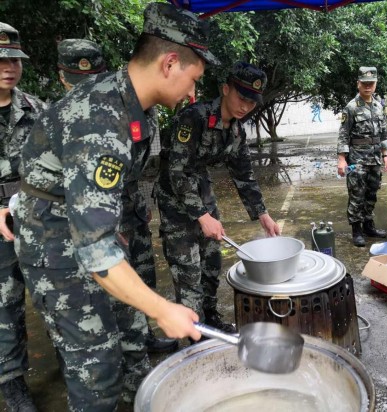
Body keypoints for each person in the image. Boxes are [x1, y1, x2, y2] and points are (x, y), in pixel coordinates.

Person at [12, 3, 219, 410]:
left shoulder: (126, 103)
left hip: (79, 227)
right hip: (54, 246)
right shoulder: (101, 120)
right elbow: (94, 248)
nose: (194, 94)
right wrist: (164, 309)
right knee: (96, 370)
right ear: (170, 63)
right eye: (194, 80)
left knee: (127, 335)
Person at [57, 39, 178, 353]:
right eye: (79, 81)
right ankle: (121, 354)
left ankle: (141, 340)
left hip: (130, 211)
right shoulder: (64, 120)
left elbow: (136, 164)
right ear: (62, 78)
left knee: (142, 278)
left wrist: (141, 202)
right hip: (87, 225)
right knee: (103, 300)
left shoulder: (127, 112)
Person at [155, 61, 281, 335]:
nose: (245, 107)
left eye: (252, 102)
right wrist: (202, 217)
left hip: (203, 194)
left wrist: (264, 215)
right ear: (225, 89)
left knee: (211, 265)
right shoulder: (194, 118)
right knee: (189, 273)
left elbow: (244, 174)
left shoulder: (235, 130)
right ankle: (195, 335)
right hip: (176, 202)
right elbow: (177, 171)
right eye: (241, 97)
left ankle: (210, 319)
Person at [0, 22, 48, 412]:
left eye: (14, 57)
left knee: (53, 295)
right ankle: (11, 382)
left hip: (38, 220)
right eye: (1, 58)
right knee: (5, 306)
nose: (9, 66)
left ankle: (74, 363)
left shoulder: (37, 109)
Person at [337, 66, 387, 247]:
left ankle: (369, 226)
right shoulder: (351, 107)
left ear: (375, 84)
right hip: (357, 160)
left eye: (371, 83)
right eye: (364, 83)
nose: (368, 86)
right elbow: (343, 134)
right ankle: (356, 230)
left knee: (372, 194)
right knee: (356, 195)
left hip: (375, 159)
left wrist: (385, 154)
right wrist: (342, 159)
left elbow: (383, 133)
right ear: (358, 84)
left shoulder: (378, 106)